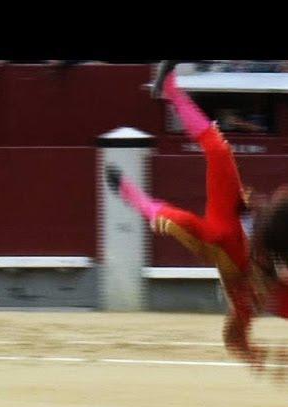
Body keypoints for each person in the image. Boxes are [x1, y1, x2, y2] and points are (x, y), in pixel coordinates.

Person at [107, 61, 263, 365]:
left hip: (218, 241)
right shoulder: (258, 287)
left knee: (176, 220)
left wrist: (255, 355)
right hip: (230, 218)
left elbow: (232, 339)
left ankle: (129, 193)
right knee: (219, 150)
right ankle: (171, 90)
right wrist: (249, 207)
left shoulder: (242, 296)